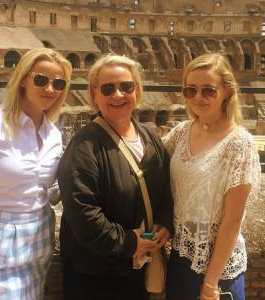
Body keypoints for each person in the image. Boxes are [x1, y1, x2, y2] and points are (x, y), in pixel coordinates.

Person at [58, 53, 173, 300]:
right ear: (95, 94)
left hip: (140, 269)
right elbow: (82, 212)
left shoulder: (149, 137)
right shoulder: (84, 145)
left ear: (137, 90)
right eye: (108, 88)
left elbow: (165, 189)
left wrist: (164, 223)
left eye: (126, 86)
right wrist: (129, 243)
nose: (118, 95)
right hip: (98, 276)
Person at [164, 53, 261, 300]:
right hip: (180, 256)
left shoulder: (239, 143)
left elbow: (232, 221)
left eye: (209, 90)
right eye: (190, 90)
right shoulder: (182, 132)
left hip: (217, 268)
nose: (198, 97)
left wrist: (210, 283)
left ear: (227, 91)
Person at [0, 48, 72, 299]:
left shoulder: (53, 133)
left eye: (59, 83)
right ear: (23, 79)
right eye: (41, 79)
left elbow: (49, 191)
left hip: (40, 233)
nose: (50, 89)